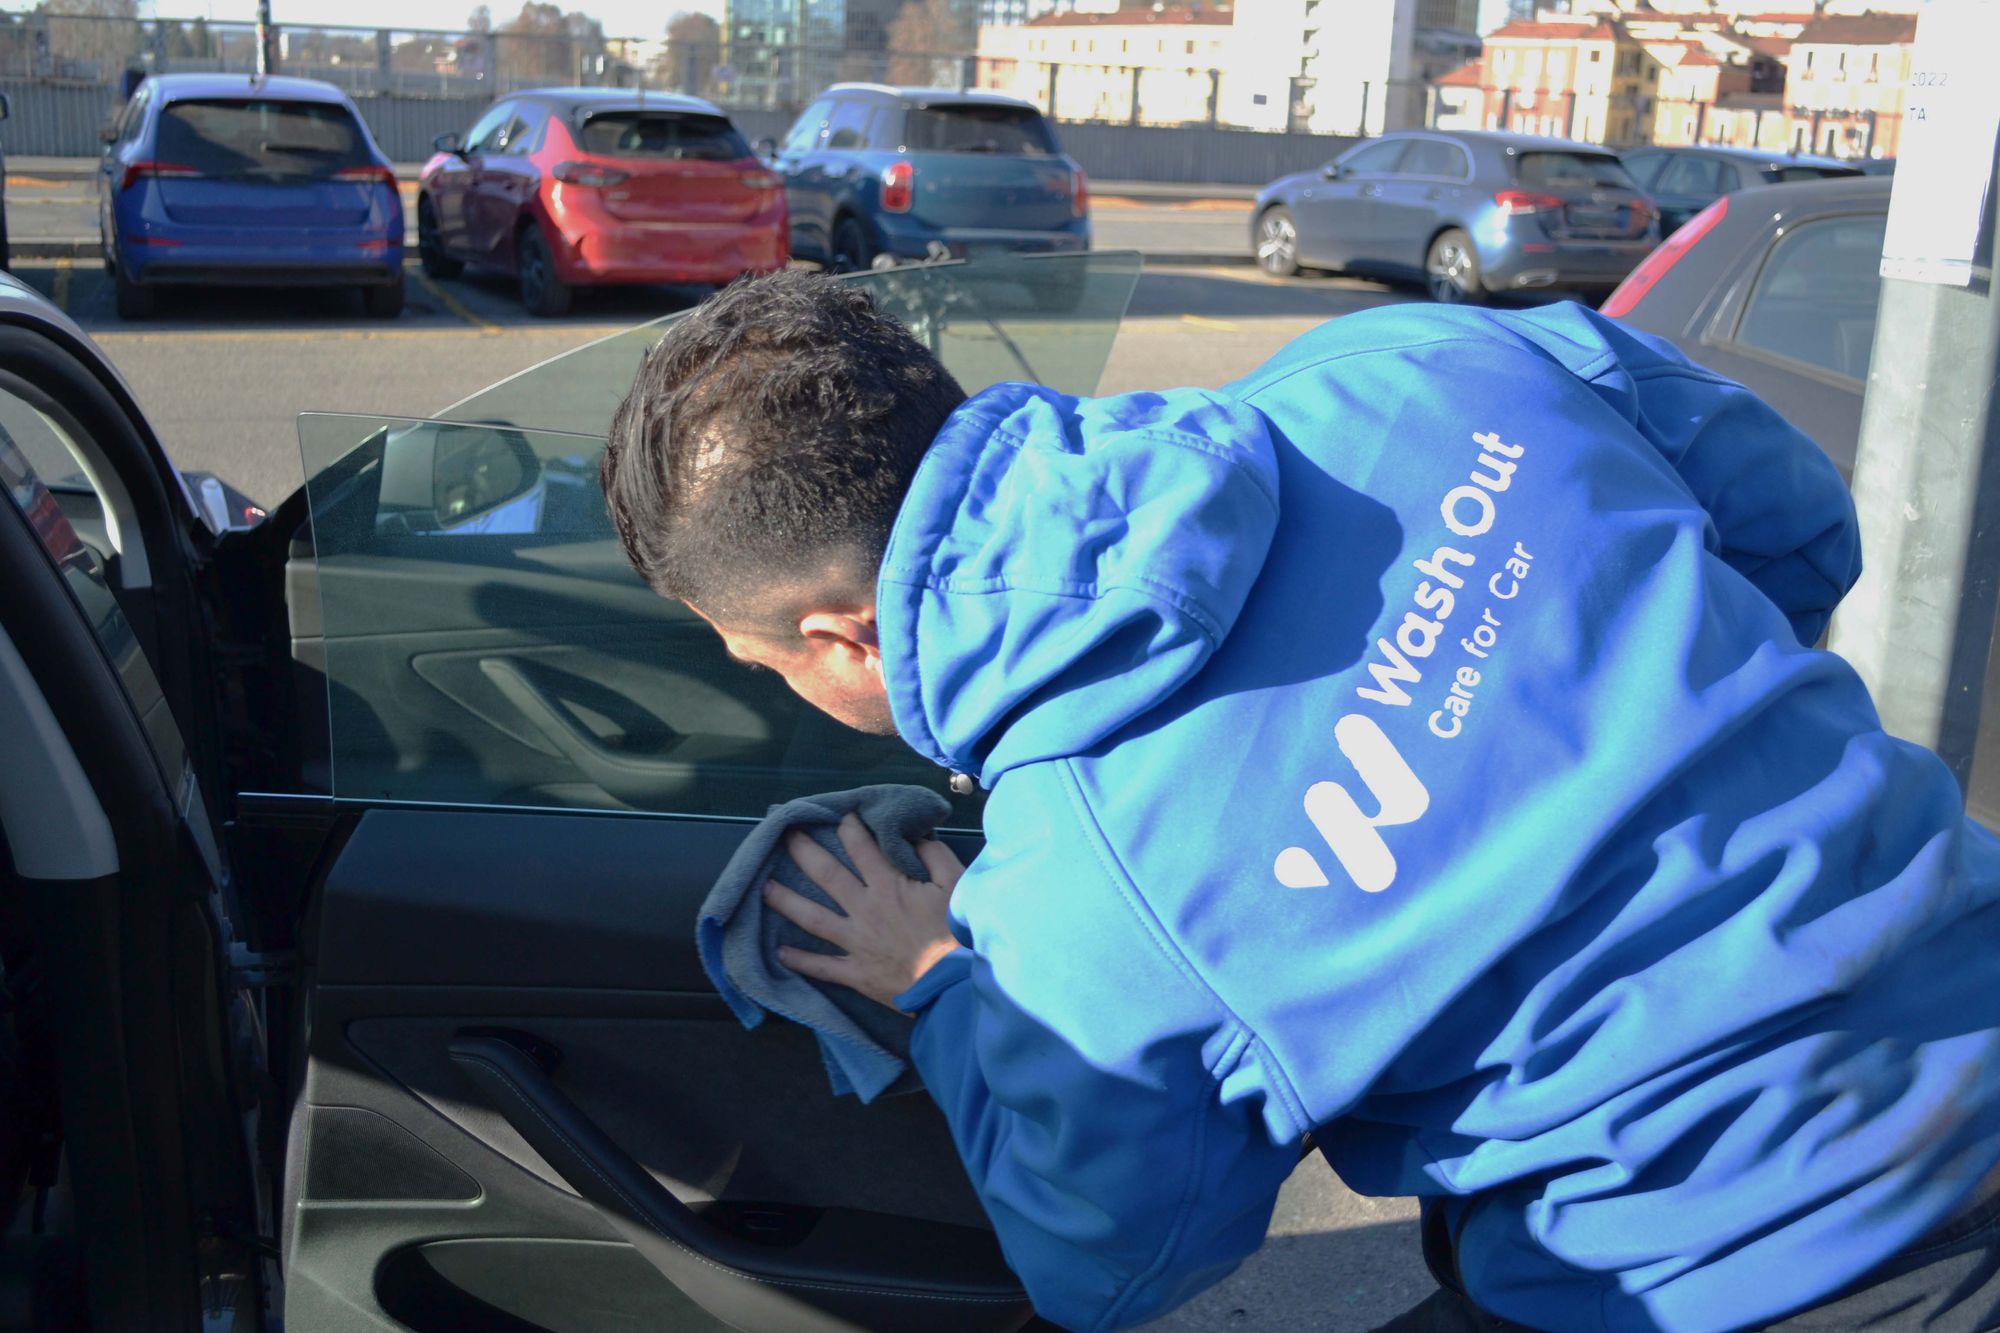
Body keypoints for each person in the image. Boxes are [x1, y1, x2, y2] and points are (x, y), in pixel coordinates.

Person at [600, 270, 2000, 1333]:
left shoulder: (1079, 889)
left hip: (1748, 1264)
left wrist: (945, 982)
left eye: (761, 660)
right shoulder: (1417, 354)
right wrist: (1624, 702)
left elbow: (1115, 1260)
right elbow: (1796, 514)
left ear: (841, 636)